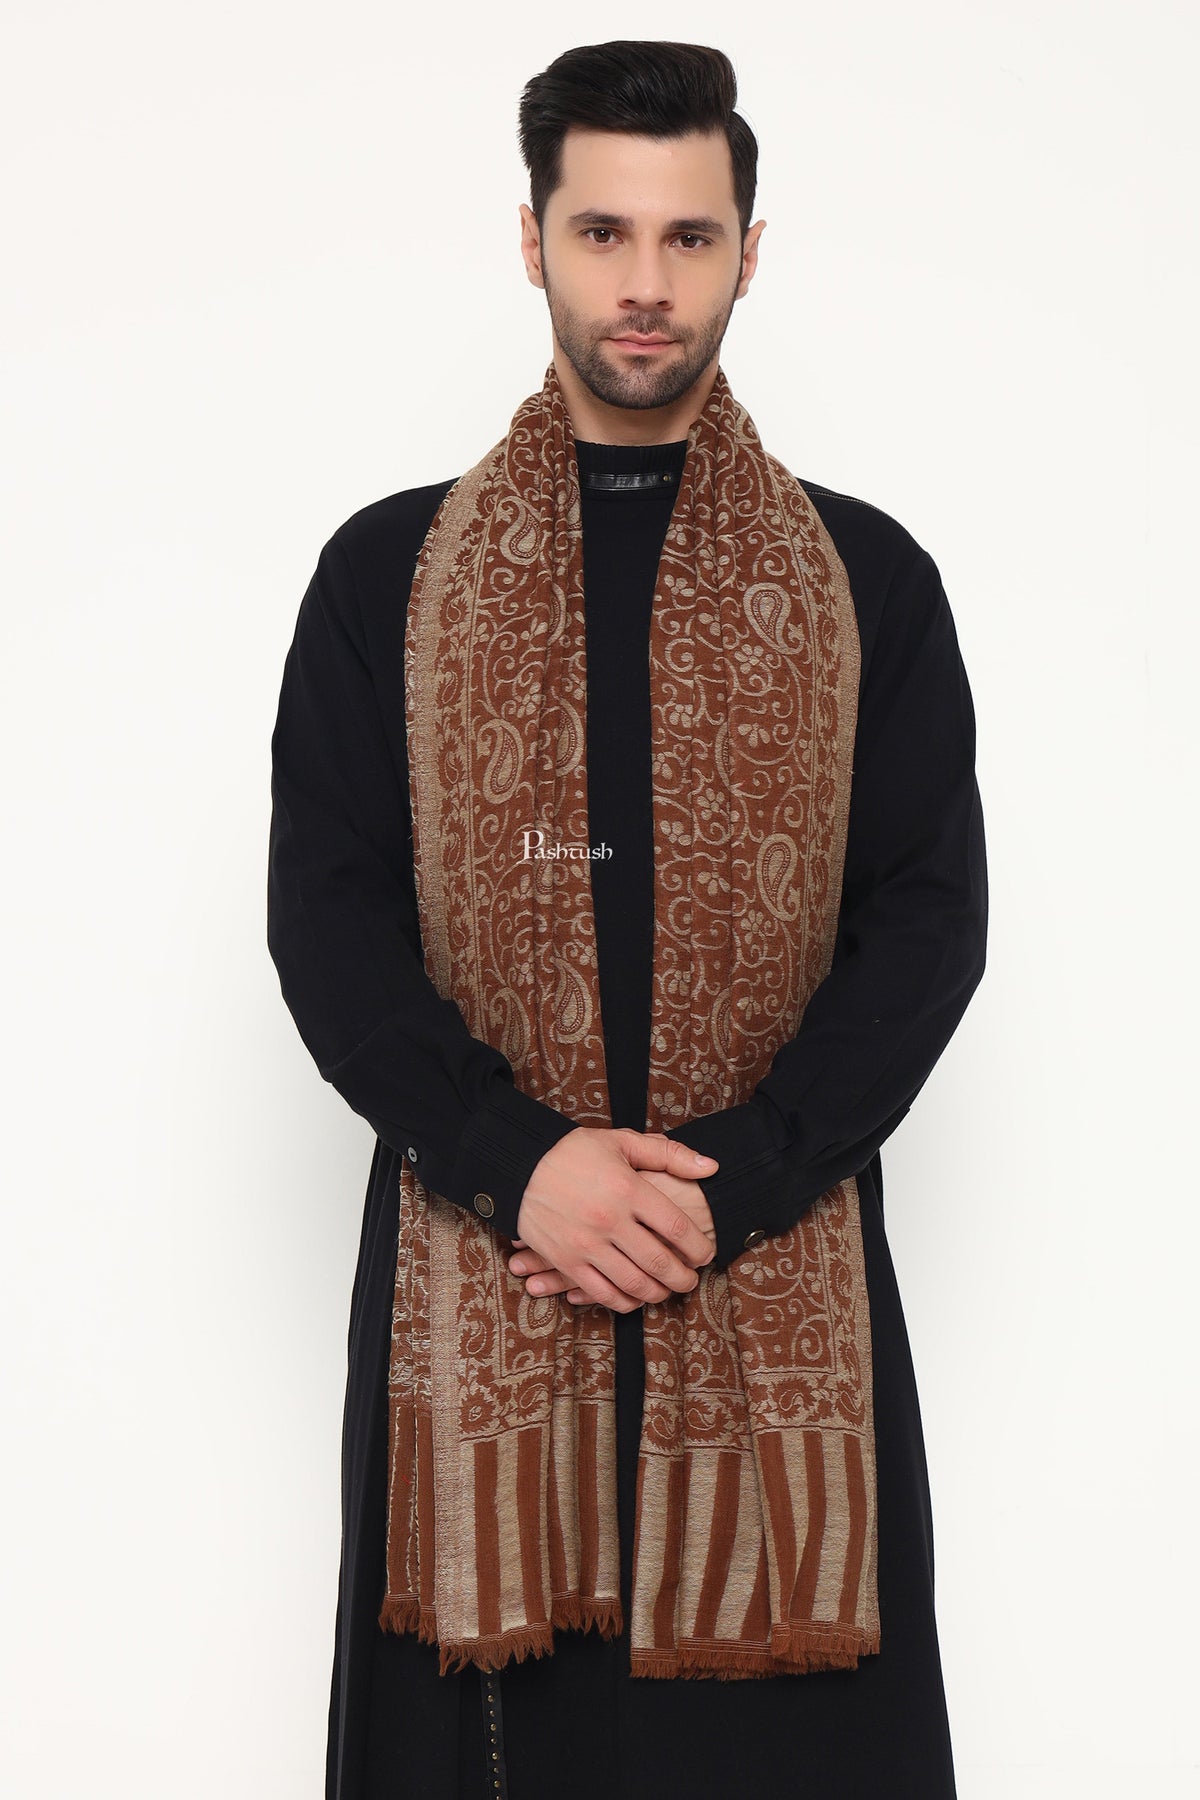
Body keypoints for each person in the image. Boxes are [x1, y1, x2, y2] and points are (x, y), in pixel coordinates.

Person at [267, 38, 987, 1800]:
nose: (645, 283)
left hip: (774, 1261)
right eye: (602, 232)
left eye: (688, 236)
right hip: (482, 1276)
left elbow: (926, 926)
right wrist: (520, 1165)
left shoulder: (867, 583)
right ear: (532, 241)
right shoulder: (388, 578)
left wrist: (725, 1186)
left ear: (751, 250)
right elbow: (329, 924)